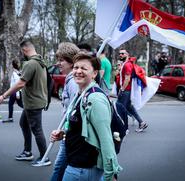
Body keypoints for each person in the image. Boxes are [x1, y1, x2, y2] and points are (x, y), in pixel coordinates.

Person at [51, 52, 122, 181]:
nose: (78, 71)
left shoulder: (95, 99)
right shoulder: (81, 94)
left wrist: (110, 174)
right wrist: (64, 134)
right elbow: (84, 129)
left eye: (84, 68)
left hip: (83, 170)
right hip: (76, 165)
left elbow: (105, 139)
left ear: (94, 73)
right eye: (76, 67)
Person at [0, 40, 51, 166]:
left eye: (22, 51)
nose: (22, 54)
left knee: (37, 130)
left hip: (33, 102)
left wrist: (3, 96)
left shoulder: (30, 63)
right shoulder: (40, 61)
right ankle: (27, 152)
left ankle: (44, 157)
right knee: (24, 124)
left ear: (25, 50)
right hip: (35, 101)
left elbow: (21, 83)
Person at [50, 42, 79, 181]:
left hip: (70, 134)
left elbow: (75, 111)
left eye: (61, 60)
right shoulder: (69, 79)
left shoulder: (73, 82)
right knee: (62, 168)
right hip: (68, 133)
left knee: (59, 168)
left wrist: (65, 133)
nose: (58, 63)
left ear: (71, 61)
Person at [118, 49, 148, 132]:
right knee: (129, 108)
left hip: (126, 91)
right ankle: (142, 123)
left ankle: (123, 128)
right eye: (120, 53)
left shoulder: (127, 65)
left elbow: (127, 79)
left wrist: (122, 89)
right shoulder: (125, 64)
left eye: (122, 53)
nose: (120, 55)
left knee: (120, 109)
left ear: (127, 54)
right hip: (127, 90)